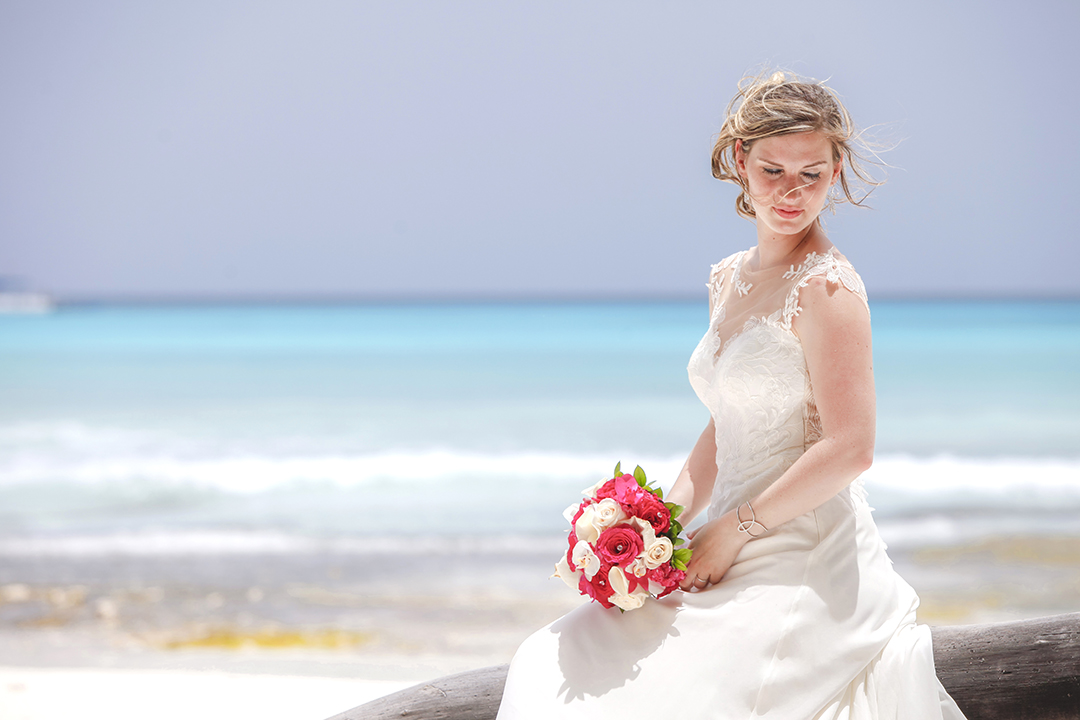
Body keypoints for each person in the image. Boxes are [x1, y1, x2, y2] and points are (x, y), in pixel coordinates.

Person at [496, 72, 967, 719]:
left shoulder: (828, 290)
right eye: (774, 170)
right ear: (740, 161)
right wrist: (653, 524)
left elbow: (852, 448)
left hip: (800, 556)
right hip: (721, 540)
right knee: (557, 652)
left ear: (836, 171)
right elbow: (726, 428)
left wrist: (732, 532)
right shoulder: (728, 278)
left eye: (813, 174)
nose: (792, 193)